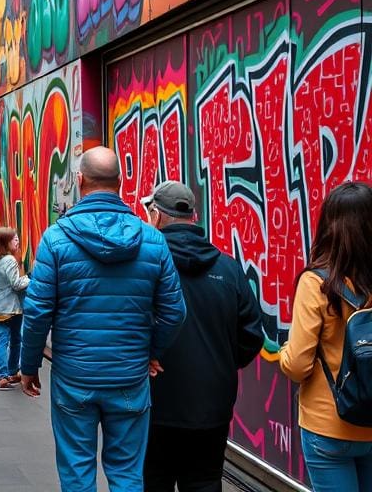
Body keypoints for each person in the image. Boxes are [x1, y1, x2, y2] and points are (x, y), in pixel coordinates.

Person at [20, 147, 186, 492]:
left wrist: (29, 365)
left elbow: (37, 312)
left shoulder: (56, 239)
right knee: (127, 473)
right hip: (129, 375)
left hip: (74, 376)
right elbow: (174, 311)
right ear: (120, 183)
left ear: (79, 180)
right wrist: (151, 351)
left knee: (77, 470)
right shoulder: (152, 240)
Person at [142, 181, 264, 492]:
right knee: (205, 481)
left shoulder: (144, 268)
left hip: (153, 403)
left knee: (154, 480)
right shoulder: (228, 268)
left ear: (156, 216)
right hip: (211, 405)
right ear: (194, 217)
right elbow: (251, 334)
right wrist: (220, 361)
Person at [280, 182, 372, 492]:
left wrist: (284, 353)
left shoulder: (317, 282)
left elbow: (297, 365)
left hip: (328, 424)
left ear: (329, 226)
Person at [0, 227, 30, 391]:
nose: (18, 241)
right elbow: (17, 284)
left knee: (1, 341)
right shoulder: (9, 260)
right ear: (5, 243)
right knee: (16, 341)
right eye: (14, 239)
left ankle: (2, 376)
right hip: (11, 307)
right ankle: (10, 372)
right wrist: (32, 278)